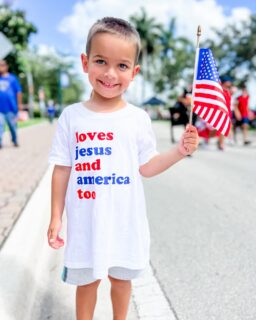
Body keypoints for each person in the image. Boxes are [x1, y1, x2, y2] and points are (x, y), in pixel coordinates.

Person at [47, 17, 199, 320]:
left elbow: (147, 166)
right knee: (87, 280)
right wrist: (55, 216)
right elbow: (62, 169)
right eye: (101, 61)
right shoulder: (71, 117)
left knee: (121, 279)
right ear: (85, 62)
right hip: (85, 222)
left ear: (134, 72)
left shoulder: (137, 118)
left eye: (122, 66)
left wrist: (180, 151)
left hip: (124, 221)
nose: (109, 73)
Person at [0, 59, 22, 148]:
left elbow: (19, 92)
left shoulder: (12, 78)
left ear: (6, 66)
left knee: (12, 126)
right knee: (0, 125)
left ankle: (14, 139)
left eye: (2, 65)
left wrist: (19, 105)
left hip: (11, 108)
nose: (0, 67)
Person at [217, 76, 232, 150]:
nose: (230, 83)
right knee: (221, 128)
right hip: (222, 111)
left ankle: (220, 142)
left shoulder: (228, 91)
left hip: (228, 111)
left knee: (225, 127)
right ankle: (220, 143)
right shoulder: (220, 90)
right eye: (228, 81)